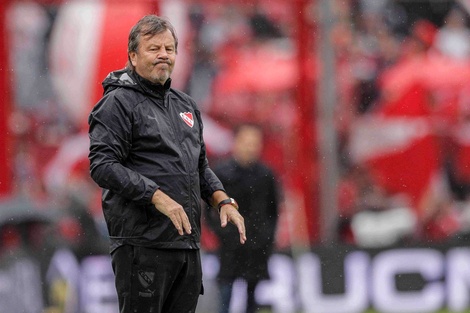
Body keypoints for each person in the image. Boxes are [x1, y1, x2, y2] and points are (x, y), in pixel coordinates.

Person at [88, 15, 246, 313]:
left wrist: (223, 200)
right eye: (154, 48)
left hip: (185, 244)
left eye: (170, 48)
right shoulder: (117, 103)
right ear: (132, 56)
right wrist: (156, 196)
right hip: (142, 244)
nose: (164, 54)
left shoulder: (185, 105)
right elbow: (102, 165)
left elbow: (200, 168)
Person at [206, 123, 280, 313]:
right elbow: (209, 209)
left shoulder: (266, 175)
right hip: (230, 247)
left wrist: (266, 237)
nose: (251, 147)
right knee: (226, 293)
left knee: (253, 296)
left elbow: (273, 210)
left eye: (255, 143)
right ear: (236, 143)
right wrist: (224, 234)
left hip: (256, 246)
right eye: (247, 142)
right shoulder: (222, 173)